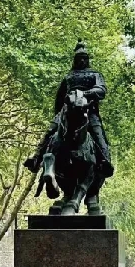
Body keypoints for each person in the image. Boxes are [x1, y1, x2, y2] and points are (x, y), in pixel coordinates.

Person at [24, 41, 114, 179]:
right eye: (79, 58)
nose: (82, 61)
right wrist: (58, 114)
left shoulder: (95, 74)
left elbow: (101, 90)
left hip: (89, 111)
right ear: (75, 60)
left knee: (98, 134)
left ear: (88, 60)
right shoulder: (69, 76)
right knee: (50, 131)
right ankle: (36, 158)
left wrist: (86, 93)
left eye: (84, 58)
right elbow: (59, 97)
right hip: (67, 110)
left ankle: (105, 162)